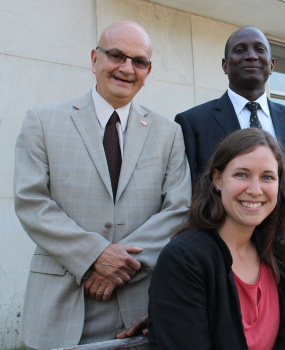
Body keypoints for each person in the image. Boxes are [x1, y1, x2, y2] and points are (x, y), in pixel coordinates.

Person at [14, 21, 191, 349]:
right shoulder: (42, 121)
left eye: (139, 61)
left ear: (147, 72)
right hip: (60, 304)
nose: (127, 68)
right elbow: (31, 202)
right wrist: (94, 255)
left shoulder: (169, 133)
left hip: (140, 308)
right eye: (116, 56)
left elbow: (179, 209)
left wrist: (118, 265)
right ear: (95, 60)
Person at [147, 128, 285, 349]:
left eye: (267, 177)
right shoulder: (184, 259)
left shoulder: (275, 253)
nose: (255, 190)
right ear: (217, 179)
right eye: (241, 174)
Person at [175, 26, 285, 232]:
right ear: (225, 65)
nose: (251, 56)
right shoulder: (193, 123)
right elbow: (190, 193)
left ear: (272, 64)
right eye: (240, 50)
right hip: (225, 245)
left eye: (260, 50)